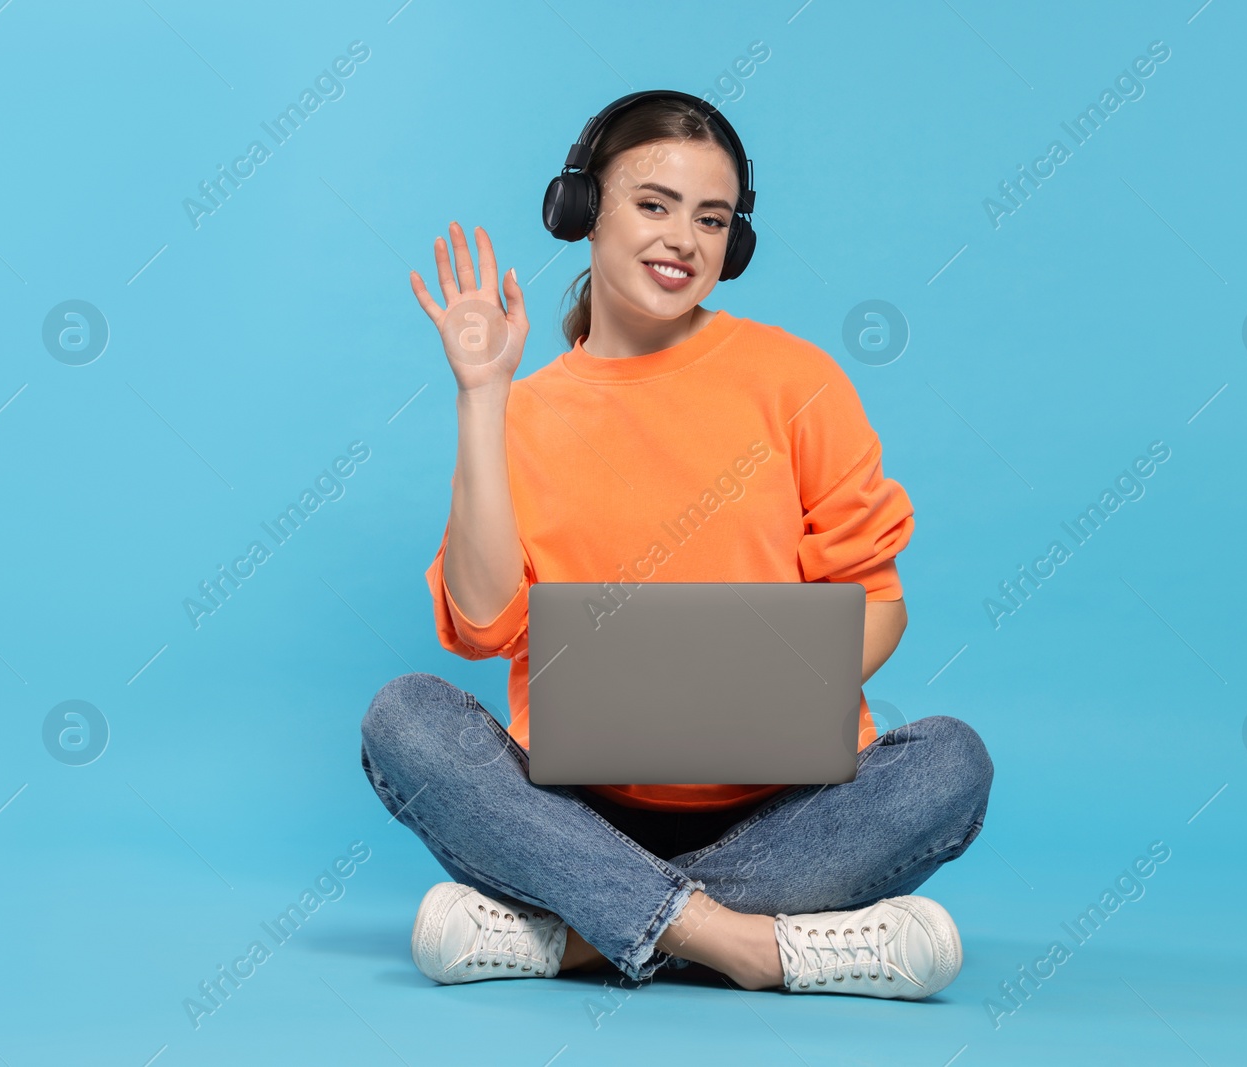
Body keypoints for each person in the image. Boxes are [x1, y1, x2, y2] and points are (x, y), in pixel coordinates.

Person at [359, 91, 993, 1000]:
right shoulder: (525, 411)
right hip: (573, 809)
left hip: (781, 811)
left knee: (950, 760)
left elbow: (879, 600)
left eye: (712, 219)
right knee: (404, 717)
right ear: (583, 212)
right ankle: (753, 946)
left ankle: (572, 937)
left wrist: (762, 694)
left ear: (734, 244)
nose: (682, 241)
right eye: (653, 205)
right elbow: (484, 619)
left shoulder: (796, 380)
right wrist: (481, 397)